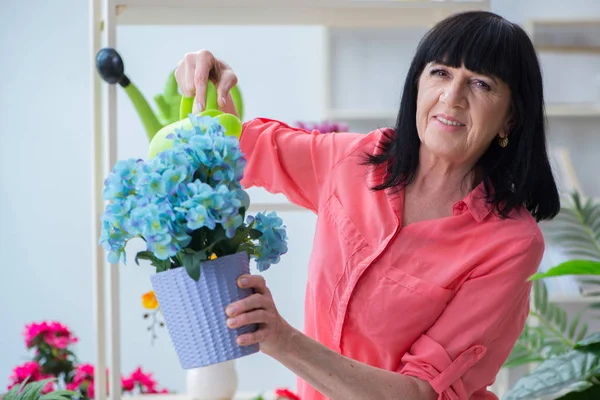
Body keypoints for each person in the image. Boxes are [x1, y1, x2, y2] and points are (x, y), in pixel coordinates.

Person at [174, 10, 560, 400]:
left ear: (510, 118)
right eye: (440, 72)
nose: (452, 97)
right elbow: (234, 145)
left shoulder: (510, 244)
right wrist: (205, 78)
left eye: (480, 83)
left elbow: (421, 393)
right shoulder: (356, 159)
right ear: (417, 84)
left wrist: (282, 340)